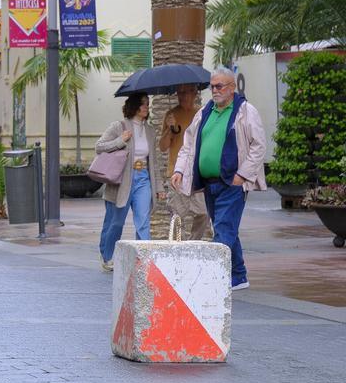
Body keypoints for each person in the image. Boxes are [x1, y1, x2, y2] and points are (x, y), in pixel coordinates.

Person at [172, 67, 266, 291]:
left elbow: (258, 146)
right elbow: (188, 145)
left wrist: (242, 175)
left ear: (232, 88)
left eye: (219, 86)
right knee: (226, 228)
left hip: (232, 183)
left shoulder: (245, 111)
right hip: (209, 184)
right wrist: (179, 170)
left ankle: (216, 278)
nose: (214, 90)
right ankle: (239, 275)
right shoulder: (205, 111)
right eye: (212, 86)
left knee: (224, 230)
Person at [95, 93, 165, 272]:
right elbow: (99, 146)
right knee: (115, 222)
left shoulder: (149, 131)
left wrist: (159, 187)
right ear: (133, 106)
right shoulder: (119, 126)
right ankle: (107, 256)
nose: (146, 107)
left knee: (143, 221)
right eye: (142, 104)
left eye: (147, 104)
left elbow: (154, 162)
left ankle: (143, 258)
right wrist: (120, 140)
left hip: (143, 179)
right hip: (122, 180)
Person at [159, 84, 212, 240]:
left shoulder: (202, 114)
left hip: (197, 173)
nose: (181, 96)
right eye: (179, 92)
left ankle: (193, 243)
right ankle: (177, 246)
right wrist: (169, 128)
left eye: (185, 92)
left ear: (194, 93)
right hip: (176, 173)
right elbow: (162, 147)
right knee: (177, 214)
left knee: (203, 212)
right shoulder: (171, 115)